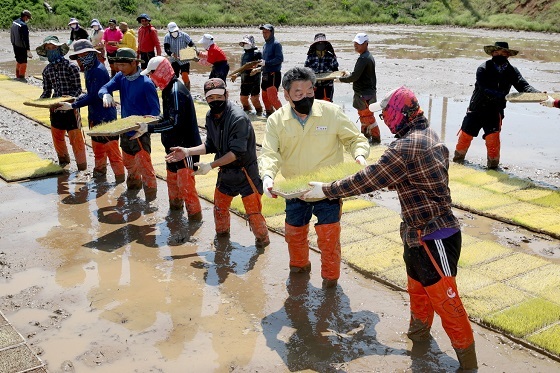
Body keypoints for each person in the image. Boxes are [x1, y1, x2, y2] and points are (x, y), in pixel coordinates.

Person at [301, 86, 478, 370]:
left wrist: (327, 190)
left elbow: (369, 179)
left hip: (435, 237)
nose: (383, 119)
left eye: (386, 114)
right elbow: (402, 178)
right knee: (418, 292)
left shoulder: (405, 147)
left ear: (399, 113)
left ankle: (469, 364)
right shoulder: (426, 136)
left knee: (448, 304)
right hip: (416, 235)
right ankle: (418, 339)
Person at [258, 67, 370, 288]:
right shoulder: (276, 121)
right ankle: (299, 271)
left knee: (329, 239)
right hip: (295, 190)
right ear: (286, 95)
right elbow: (270, 153)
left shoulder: (331, 112)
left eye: (309, 91)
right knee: (294, 234)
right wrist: (268, 177)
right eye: (298, 93)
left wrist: (359, 155)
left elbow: (355, 139)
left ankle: (330, 281)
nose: (305, 97)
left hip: (328, 190)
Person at [165, 78, 270, 247]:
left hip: (245, 174)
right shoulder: (210, 116)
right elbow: (211, 144)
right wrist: (187, 151)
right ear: (206, 99)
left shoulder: (238, 118)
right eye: (211, 98)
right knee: (219, 210)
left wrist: (211, 165)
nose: (215, 101)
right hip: (225, 174)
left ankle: (262, 242)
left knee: (254, 214)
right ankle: (222, 244)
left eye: (219, 96)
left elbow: (236, 153)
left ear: (227, 94)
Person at [131, 56, 202, 220]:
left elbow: (175, 123)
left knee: (187, 188)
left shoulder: (176, 91)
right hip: (171, 148)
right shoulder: (167, 89)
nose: (150, 78)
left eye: (152, 74)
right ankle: (175, 216)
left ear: (162, 71)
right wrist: (155, 120)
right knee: (173, 184)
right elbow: (169, 116)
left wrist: (148, 128)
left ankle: (194, 222)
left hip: (185, 149)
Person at [453, 41, 540, 169]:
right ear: (492, 53)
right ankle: (457, 161)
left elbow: (523, 85)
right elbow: (484, 88)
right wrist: (503, 96)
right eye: (496, 52)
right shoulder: (483, 68)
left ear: (507, 55)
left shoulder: (512, 71)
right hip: (476, 108)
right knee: (465, 137)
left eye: (502, 53)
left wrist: (538, 95)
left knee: (493, 141)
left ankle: (493, 167)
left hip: (495, 111)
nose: (498, 54)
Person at [56, 39, 124, 183]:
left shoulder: (98, 71)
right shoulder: (89, 70)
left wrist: (74, 106)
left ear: (91, 54)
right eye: (78, 57)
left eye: (83, 55)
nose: (80, 60)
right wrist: (76, 100)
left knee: (112, 152)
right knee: (98, 150)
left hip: (106, 117)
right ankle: (100, 178)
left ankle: (120, 181)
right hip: (95, 115)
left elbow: (94, 96)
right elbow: (89, 93)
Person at [98, 48, 160, 201]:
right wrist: (105, 94)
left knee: (145, 169)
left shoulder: (146, 83)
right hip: (125, 131)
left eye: (123, 65)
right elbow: (104, 88)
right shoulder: (121, 77)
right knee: (129, 166)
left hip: (140, 133)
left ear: (134, 63)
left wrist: (144, 125)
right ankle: (132, 195)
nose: (120, 68)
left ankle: (150, 203)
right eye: (117, 65)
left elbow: (156, 112)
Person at [36, 35, 87, 170]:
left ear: (59, 49)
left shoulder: (71, 67)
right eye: (48, 49)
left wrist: (68, 100)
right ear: (45, 52)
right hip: (55, 109)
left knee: (76, 139)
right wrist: (40, 101)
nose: (51, 50)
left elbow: (78, 89)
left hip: (71, 108)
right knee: (57, 137)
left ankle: (82, 167)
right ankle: (64, 163)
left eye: (53, 47)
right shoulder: (47, 70)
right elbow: (47, 91)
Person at [339, 33, 381, 145]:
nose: (356, 45)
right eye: (355, 43)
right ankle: (366, 138)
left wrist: (340, 79)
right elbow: (359, 74)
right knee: (364, 117)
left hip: (364, 95)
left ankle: (376, 140)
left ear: (366, 44)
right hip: (366, 94)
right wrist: (349, 74)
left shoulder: (364, 59)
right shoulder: (367, 56)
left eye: (359, 43)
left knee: (367, 117)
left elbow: (354, 77)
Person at [230, 35, 263, 116]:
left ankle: (260, 113)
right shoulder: (244, 55)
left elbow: (262, 66)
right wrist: (236, 75)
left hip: (254, 80)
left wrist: (256, 70)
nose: (245, 45)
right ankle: (247, 112)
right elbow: (242, 69)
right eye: (244, 43)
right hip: (244, 80)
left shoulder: (258, 53)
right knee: (243, 99)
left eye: (246, 43)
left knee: (254, 99)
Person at [304, 33, 339, 102]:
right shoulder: (311, 56)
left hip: (328, 85)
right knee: (316, 104)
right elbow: (306, 70)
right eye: (318, 44)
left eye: (322, 44)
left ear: (325, 45)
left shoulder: (331, 56)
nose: (320, 45)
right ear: (315, 45)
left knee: (328, 103)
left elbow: (335, 69)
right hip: (315, 85)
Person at [259, 24, 283, 117]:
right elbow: (264, 61)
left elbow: (279, 59)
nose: (264, 34)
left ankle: (283, 115)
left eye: (266, 32)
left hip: (273, 74)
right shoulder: (265, 45)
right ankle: (269, 114)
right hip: (265, 74)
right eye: (263, 32)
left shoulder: (276, 44)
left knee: (272, 97)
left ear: (272, 33)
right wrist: (259, 68)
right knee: (264, 96)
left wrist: (266, 63)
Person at [163, 21, 195, 90]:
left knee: (184, 75)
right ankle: (174, 90)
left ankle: (187, 91)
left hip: (184, 60)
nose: (174, 33)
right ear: (169, 31)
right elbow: (166, 48)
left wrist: (190, 53)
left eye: (176, 31)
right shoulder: (167, 37)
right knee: (174, 77)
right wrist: (171, 54)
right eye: (172, 32)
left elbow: (192, 45)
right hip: (173, 60)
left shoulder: (184, 35)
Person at [10, 9, 32, 80]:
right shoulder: (23, 25)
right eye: (28, 18)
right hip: (21, 47)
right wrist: (28, 50)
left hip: (15, 45)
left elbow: (12, 35)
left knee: (18, 61)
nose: (28, 20)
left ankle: (17, 76)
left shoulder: (14, 22)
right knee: (23, 62)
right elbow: (26, 39)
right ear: (25, 17)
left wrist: (13, 44)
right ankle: (21, 78)